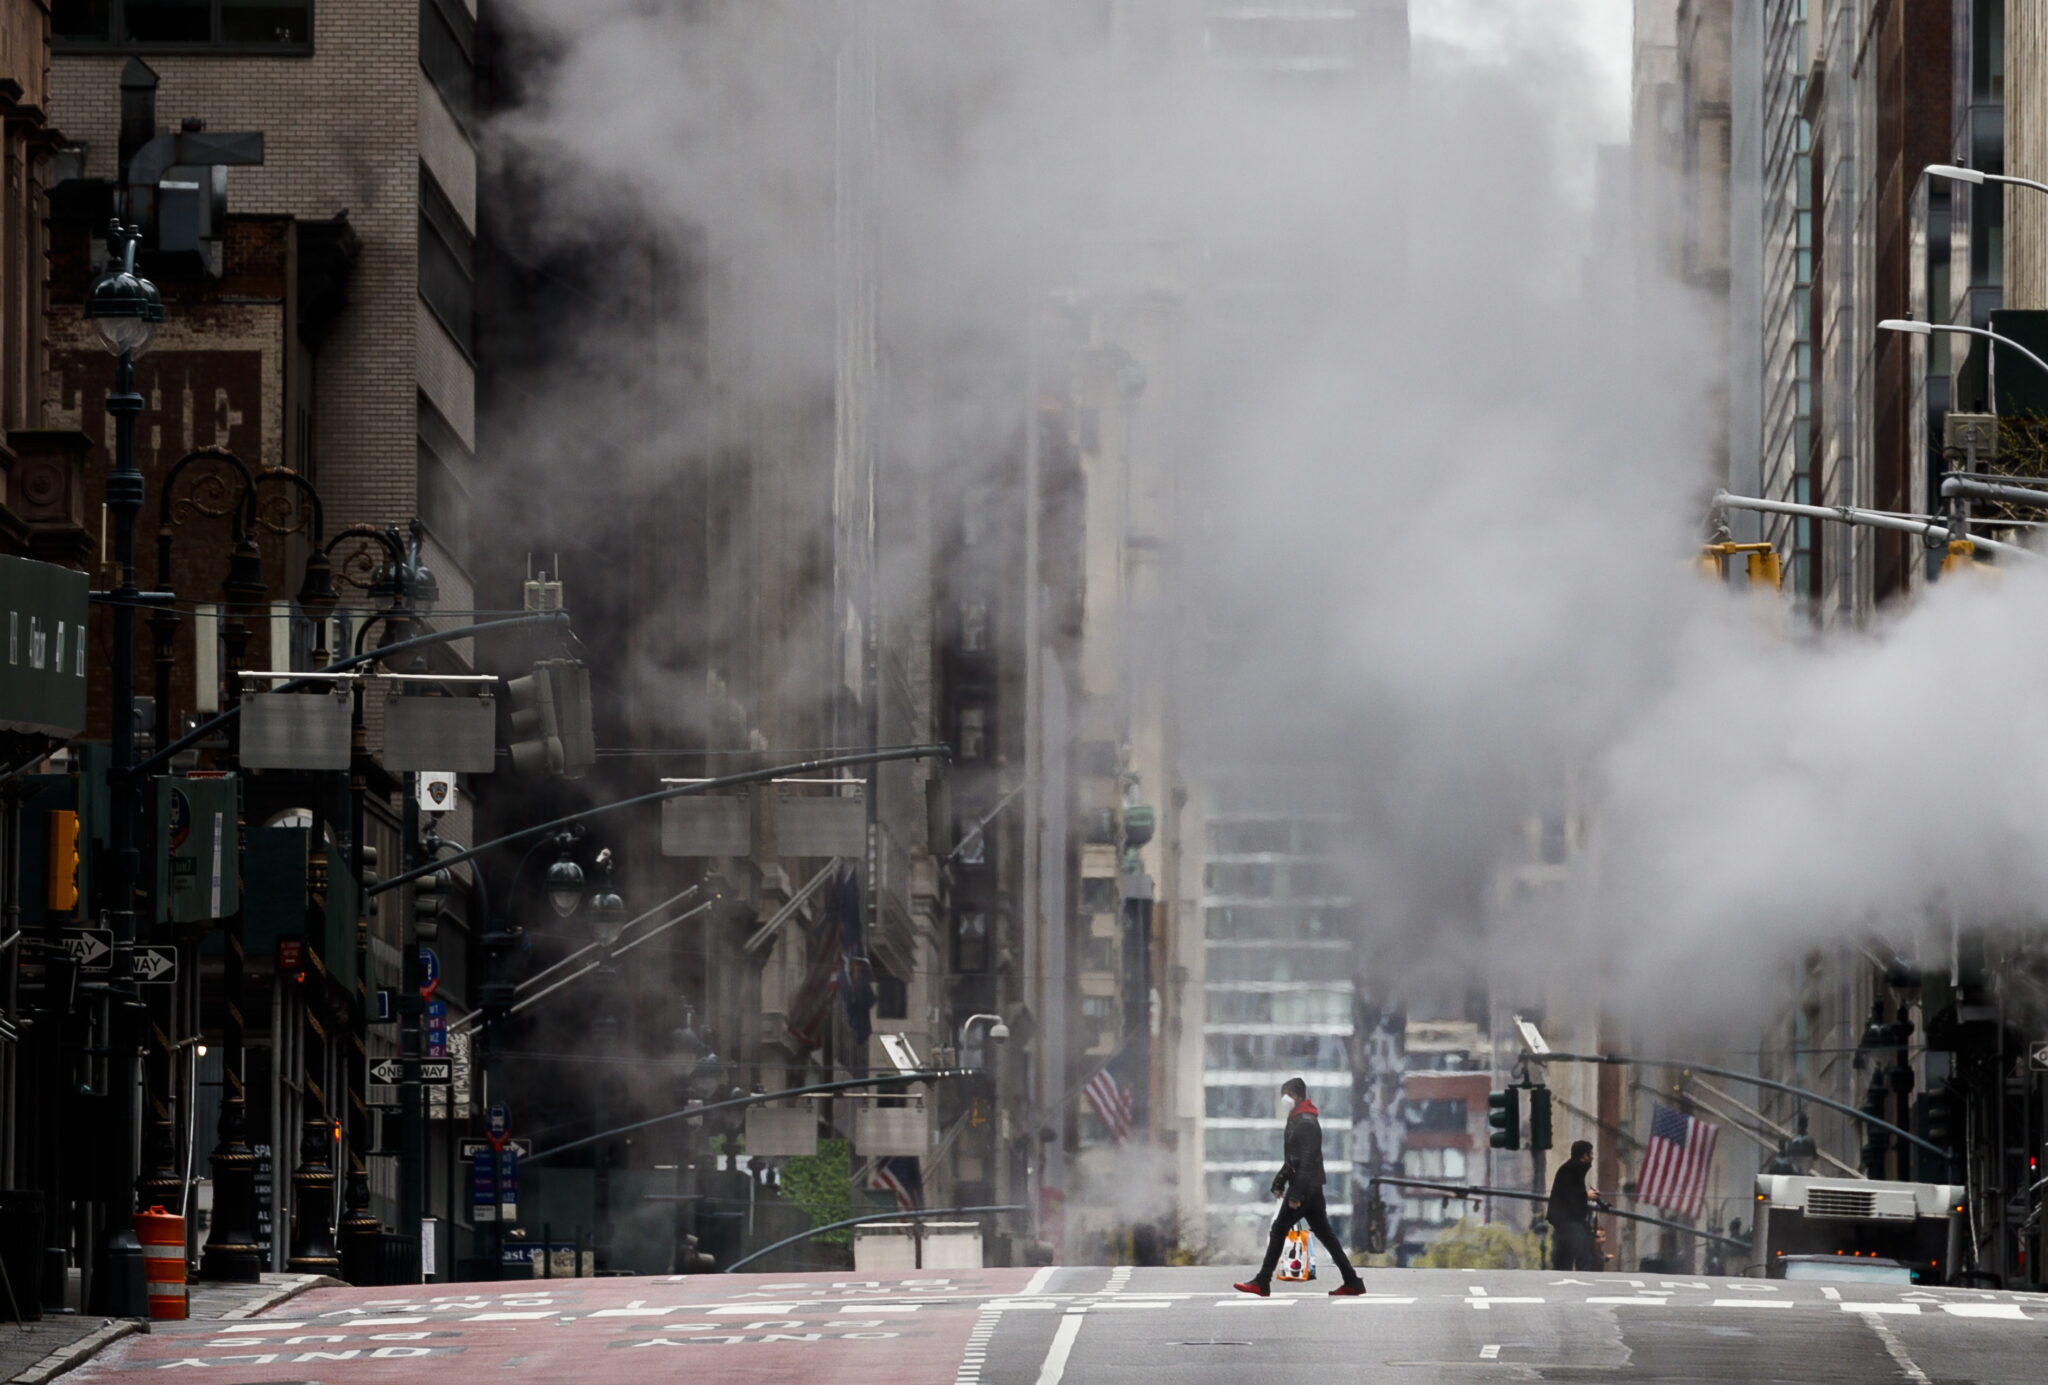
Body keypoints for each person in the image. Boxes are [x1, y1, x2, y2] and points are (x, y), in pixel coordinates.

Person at [1233, 1077, 1366, 1297]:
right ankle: (1352, 1281)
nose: (1285, 1098)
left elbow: (1307, 1159)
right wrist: (1280, 1180)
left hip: (1305, 1188)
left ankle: (1262, 1281)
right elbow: (1293, 1159)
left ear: (1298, 1096)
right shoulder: (1298, 1119)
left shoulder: (1306, 1122)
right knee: (1326, 1235)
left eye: (1289, 1094)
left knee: (1278, 1230)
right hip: (1310, 1188)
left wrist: (1295, 1193)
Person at [1547, 1139, 1599, 1272]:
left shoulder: (1572, 1168)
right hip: (1569, 1219)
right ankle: (1583, 1287)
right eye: (1590, 1153)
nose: (1592, 1157)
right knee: (1584, 1255)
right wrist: (1586, 1196)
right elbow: (1568, 1194)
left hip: (1564, 1218)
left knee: (1564, 1257)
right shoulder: (1573, 1169)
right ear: (1584, 1155)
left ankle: (1561, 1282)